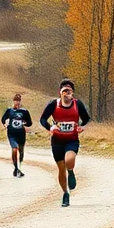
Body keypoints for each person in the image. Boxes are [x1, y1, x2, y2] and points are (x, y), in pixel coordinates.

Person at [39, 79, 91, 207]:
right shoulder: (53, 104)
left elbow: (86, 119)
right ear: (60, 93)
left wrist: (81, 127)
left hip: (72, 139)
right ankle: (65, 193)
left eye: (70, 91)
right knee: (61, 169)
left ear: (72, 93)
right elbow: (42, 119)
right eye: (64, 91)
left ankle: (71, 172)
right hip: (57, 141)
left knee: (69, 160)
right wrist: (50, 127)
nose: (67, 93)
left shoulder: (77, 104)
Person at [1, 93, 33, 177]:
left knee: (21, 152)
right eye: (16, 101)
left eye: (18, 101)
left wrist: (24, 123)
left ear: (20, 101)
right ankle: (16, 168)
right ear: (13, 101)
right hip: (11, 133)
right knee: (14, 149)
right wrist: (5, 124)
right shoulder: (9, 110)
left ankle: (20, 167)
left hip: (21, 134)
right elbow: (3, 119)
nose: (17, 102)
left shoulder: (24, 111)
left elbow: (29, 123)